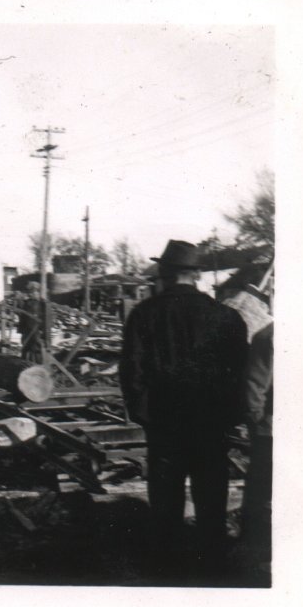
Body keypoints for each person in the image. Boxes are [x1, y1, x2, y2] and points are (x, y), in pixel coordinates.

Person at [119, 239, 248, 578]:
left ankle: (166, 564)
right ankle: (213, 563)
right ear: (196, 275)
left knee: (165, 496)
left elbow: (132, 372)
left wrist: (144, 415)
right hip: (211, 424)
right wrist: (231, 419)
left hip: (163, 423)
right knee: (211, 493)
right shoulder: (227, 317)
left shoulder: (143, 314)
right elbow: (240, 376)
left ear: (163, 273)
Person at [240, 321, 273, 580]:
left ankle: (257, 554)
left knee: (261, 494)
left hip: (273, 432)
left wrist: (256, 422)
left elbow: (255, 387)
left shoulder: (269, 335)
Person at [17, 281, 47, 364]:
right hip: (27, 330)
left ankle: (38, 366)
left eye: (33, 291)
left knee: (36, 349)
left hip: (35, 331)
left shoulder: (41, 303)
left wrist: (41, 330)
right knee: (26, 348)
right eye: (30, 292)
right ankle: (24, 364)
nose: (31, 294)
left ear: (37, 291)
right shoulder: (27, 303)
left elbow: (43, 318)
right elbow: (23, 316)